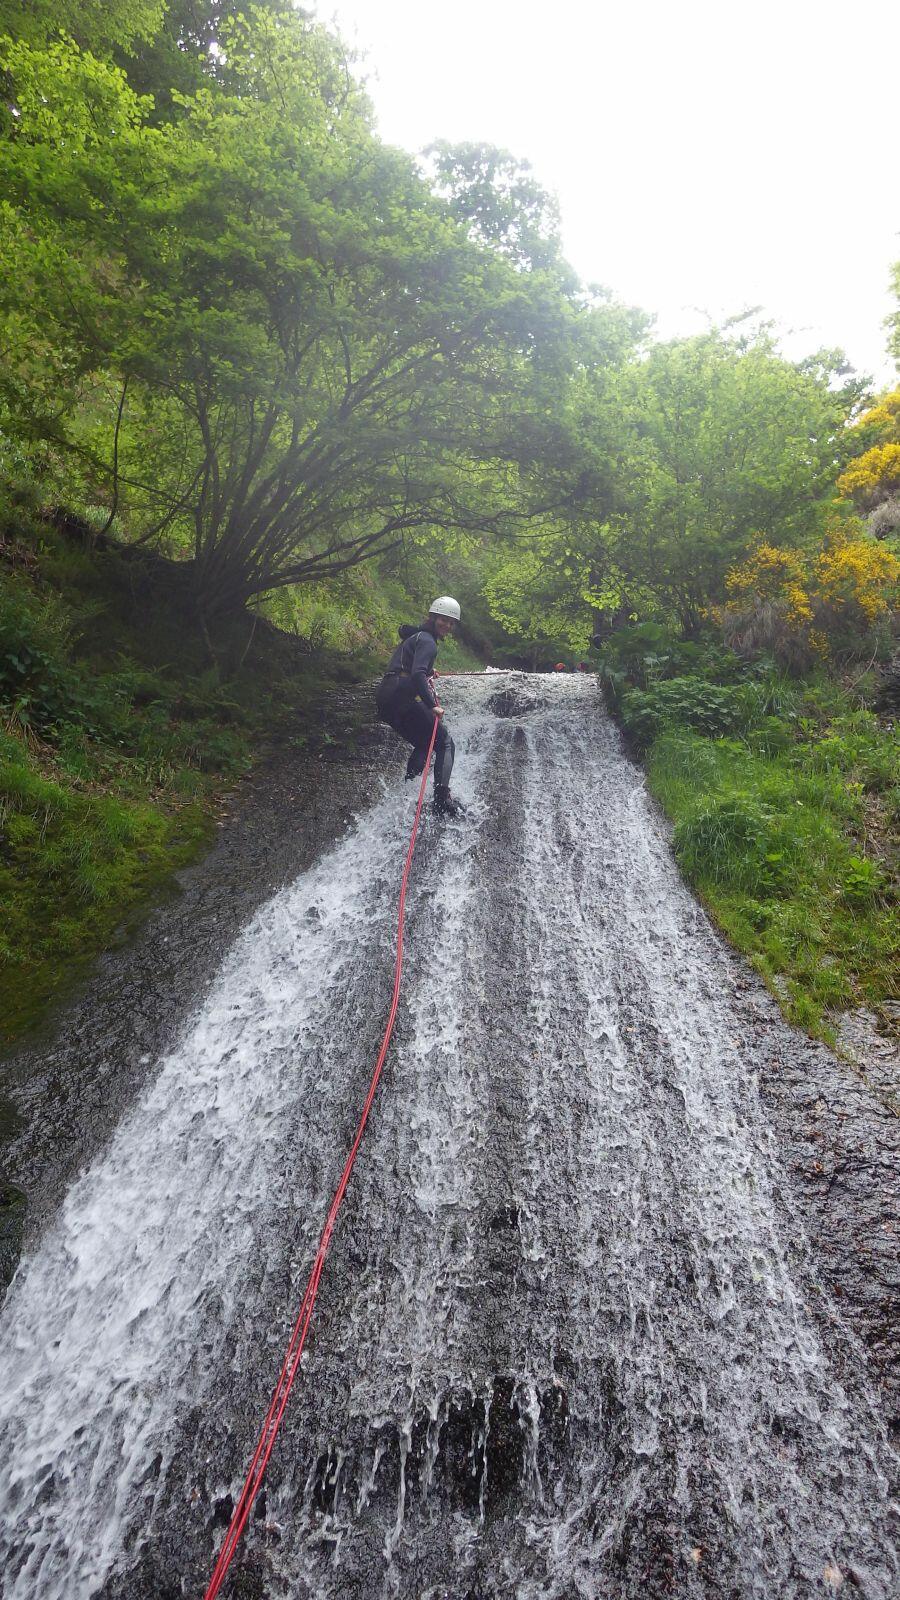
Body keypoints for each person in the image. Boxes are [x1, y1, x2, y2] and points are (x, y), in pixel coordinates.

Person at [376, 597, 464, 817]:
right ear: (433, 617)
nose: (447, 625)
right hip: (400, 694)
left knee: (425, 743)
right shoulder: (428, 641)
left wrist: (427, 672)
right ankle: (442, 800)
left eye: (451, 622)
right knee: (445, 742)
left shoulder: (416, 636)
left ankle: (407, 790)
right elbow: (416, 674)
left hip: (386, 696)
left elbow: (414, 667)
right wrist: (432, 705)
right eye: (443, 620)